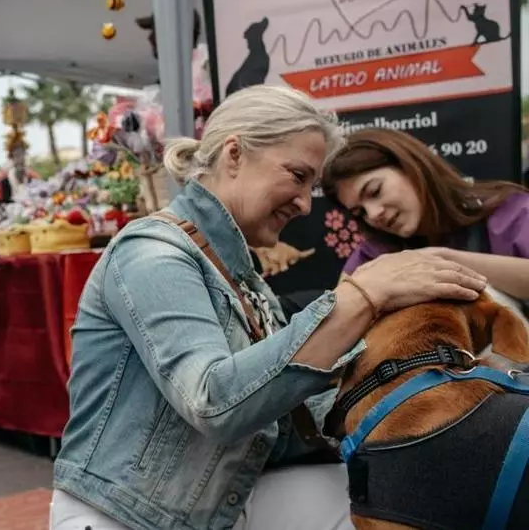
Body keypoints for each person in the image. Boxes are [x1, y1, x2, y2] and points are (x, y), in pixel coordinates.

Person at [50, 85, 488, 530]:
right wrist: (363, 296)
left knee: (401, 498)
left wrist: (442, 396)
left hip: (214, 508)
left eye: (311, 186)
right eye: (298, 176)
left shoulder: (243, 278)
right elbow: (214, 404)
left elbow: (297, 416)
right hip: (122, 516)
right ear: (234, 154)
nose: (305, 204)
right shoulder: (151, 252)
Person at [323, 127, 529, 301]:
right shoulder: (374, 252)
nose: (374, 214)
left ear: (411, 166)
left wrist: (445, 260)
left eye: (375, 191)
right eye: (360, 212)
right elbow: (340, 315)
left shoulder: (511, 212)